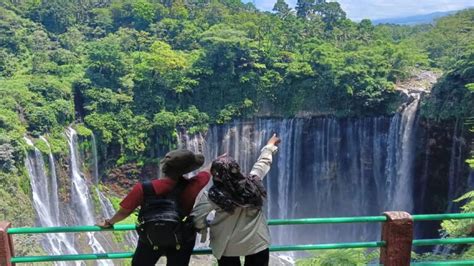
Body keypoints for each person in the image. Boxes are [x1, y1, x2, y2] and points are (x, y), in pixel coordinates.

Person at [96, 149, 210, 266]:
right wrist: (217, 161)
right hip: (179, 237)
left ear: (164, 167)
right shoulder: (194, 184)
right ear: (187, 170)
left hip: (151, 237)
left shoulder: (143, 188)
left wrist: (109, 222)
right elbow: (207, 172)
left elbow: (124, 212)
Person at [191, 134, 281, 266]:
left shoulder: (213, 195)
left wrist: (203, 228)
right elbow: (262, 163)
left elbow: (197, 217)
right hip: (257, 242)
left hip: (226, 245)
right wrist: (270, 146)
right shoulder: (253, 183)